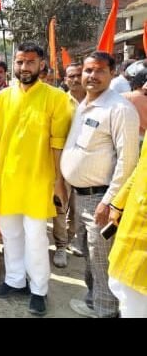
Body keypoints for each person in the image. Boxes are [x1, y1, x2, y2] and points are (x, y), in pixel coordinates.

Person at [0, 42, 72, 317]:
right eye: (20, 62)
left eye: (30, 62)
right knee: (10, 233)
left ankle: (38, 289)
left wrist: (59, 181)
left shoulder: (56, 97)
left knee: (36, 237)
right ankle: (15, 280)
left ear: (41, 65)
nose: (24, 67)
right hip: (7, 177)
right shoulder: (3, 97)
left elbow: (58, 143)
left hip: (39, 179)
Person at [61, 51, 139, 318]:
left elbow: (128, 162)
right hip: (80, 196)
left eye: (100, 70)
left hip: (101, 199)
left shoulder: (120, 109)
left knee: (101, 260)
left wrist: (110, 203)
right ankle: (93, 302)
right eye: (88, 70)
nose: (92, 76)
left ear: (112, 73)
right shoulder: (84, 104)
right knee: (88, 255)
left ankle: (107, 311)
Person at [107, 140, 147, 317]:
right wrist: (118, 203)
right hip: (133, 221)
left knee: (134, 296)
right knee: (121, 284)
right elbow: (142, 166)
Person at [53, 62, 87, 266]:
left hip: (87, 165)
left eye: (78, 75)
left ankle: (73, 237)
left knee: (78, 207)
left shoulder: (96, 102)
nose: (75, 79)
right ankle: (60, 246)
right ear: (65, 79)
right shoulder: (60, 102)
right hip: (63, 162)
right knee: (60, 204)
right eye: (71, 76)